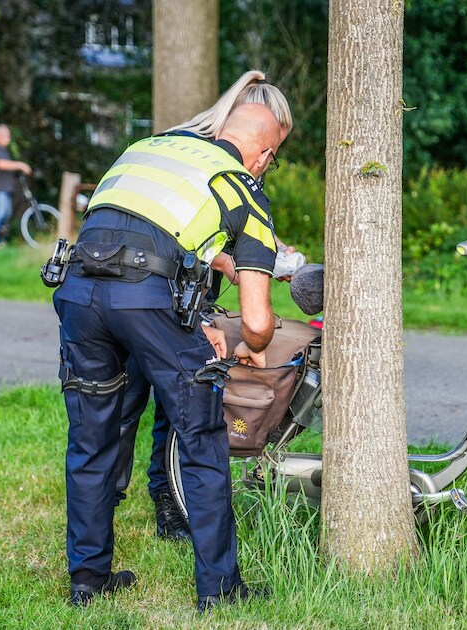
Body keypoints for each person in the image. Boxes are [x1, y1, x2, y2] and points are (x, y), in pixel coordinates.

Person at [54, 100, 286, 610]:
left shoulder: (149, 148)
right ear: (264, 155)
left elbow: (146, 228)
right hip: (144, 300)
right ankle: (220, 591)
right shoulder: (240, 185)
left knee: (92, 438)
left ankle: (87, 581)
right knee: (201, 438)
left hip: (79, 291)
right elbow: (256, 320)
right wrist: (254, 346)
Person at [111, 71, 295, 543]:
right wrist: (232, 262)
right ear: (256, 127)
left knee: (178, 403)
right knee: (132, 400)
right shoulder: (193, 147)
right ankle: (120, 497)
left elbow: (241, 217)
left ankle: (168, 503)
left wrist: (272, 251)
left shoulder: (227, 160)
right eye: (273, 147)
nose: (268, 161)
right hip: (152, 287)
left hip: (184, 291)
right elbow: (169, 224)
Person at [0, 124, 31, 250]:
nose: (8, 137)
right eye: (6, 135)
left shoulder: (3, 150)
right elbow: (1, 164)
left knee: (5, 215)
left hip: (5, 188)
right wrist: (20, 165)